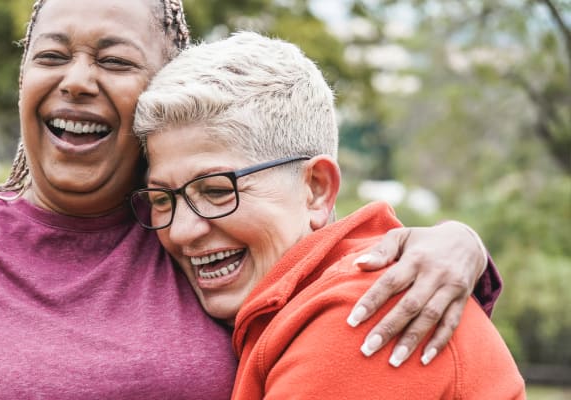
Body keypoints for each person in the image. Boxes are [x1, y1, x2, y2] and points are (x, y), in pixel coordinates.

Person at [0, 0, 500, 398]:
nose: (78, 79)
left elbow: (322, 243)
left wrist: (454, 244)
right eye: (51, 56)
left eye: (114, 61)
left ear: (154, 95)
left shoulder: (182, 237)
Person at [129, 31, 524, 398]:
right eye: (163, 199)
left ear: (317, 189)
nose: (181, 231)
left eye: (216, 190)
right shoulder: (291, 302)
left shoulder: (368, 313)